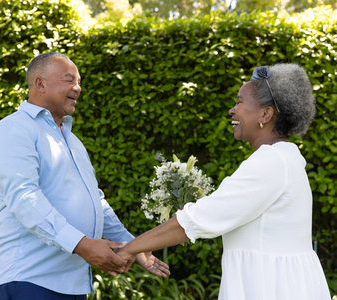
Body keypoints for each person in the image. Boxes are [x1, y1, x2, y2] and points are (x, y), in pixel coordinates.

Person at [117, 63, 331, 300]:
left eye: (239, 102)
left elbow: (198, 219)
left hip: (271, 288)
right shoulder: (285, 157)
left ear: (265, 114)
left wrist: (131, 248)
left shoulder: (271, 161)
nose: (232, 110)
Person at [0, 52, 169, 300]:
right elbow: (24, 198)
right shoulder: (13, 129)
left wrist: (133, 246)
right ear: (40, 83)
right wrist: (82, 245)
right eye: (69, 80)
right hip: (30, 280)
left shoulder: (73, 141)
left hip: (74, 285)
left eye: (79, 82)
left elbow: (97, 202)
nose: (77, 88)